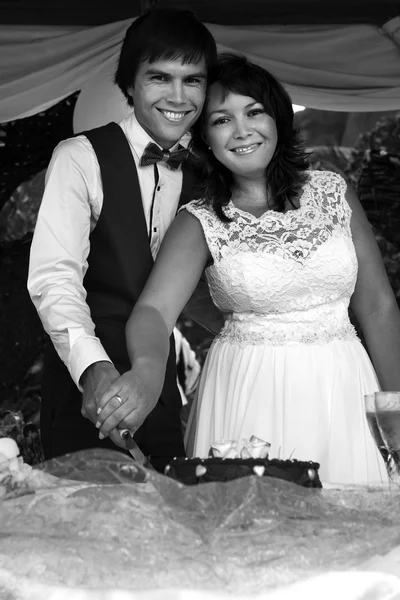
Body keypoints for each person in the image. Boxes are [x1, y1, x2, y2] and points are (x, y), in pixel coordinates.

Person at [94, 53, 400, 485]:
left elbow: (378, 306)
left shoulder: (333, 192)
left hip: (344, 386)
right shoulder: (198, 220)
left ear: (276, 119)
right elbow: (154, 311)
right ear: (204, 137)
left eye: (254, 112)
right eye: (221, 120)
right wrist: (145, 370)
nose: (242, 131)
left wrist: (397, 408)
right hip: (247, 392)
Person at [27, 8, 219, 472]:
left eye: (192, 80)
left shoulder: (211, 174)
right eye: (160, 77)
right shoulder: (80, 157)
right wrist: (93, 369)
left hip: (161, 390)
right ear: (129, 84)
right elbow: (55, 278)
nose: (178, 96)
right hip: (82, 392)